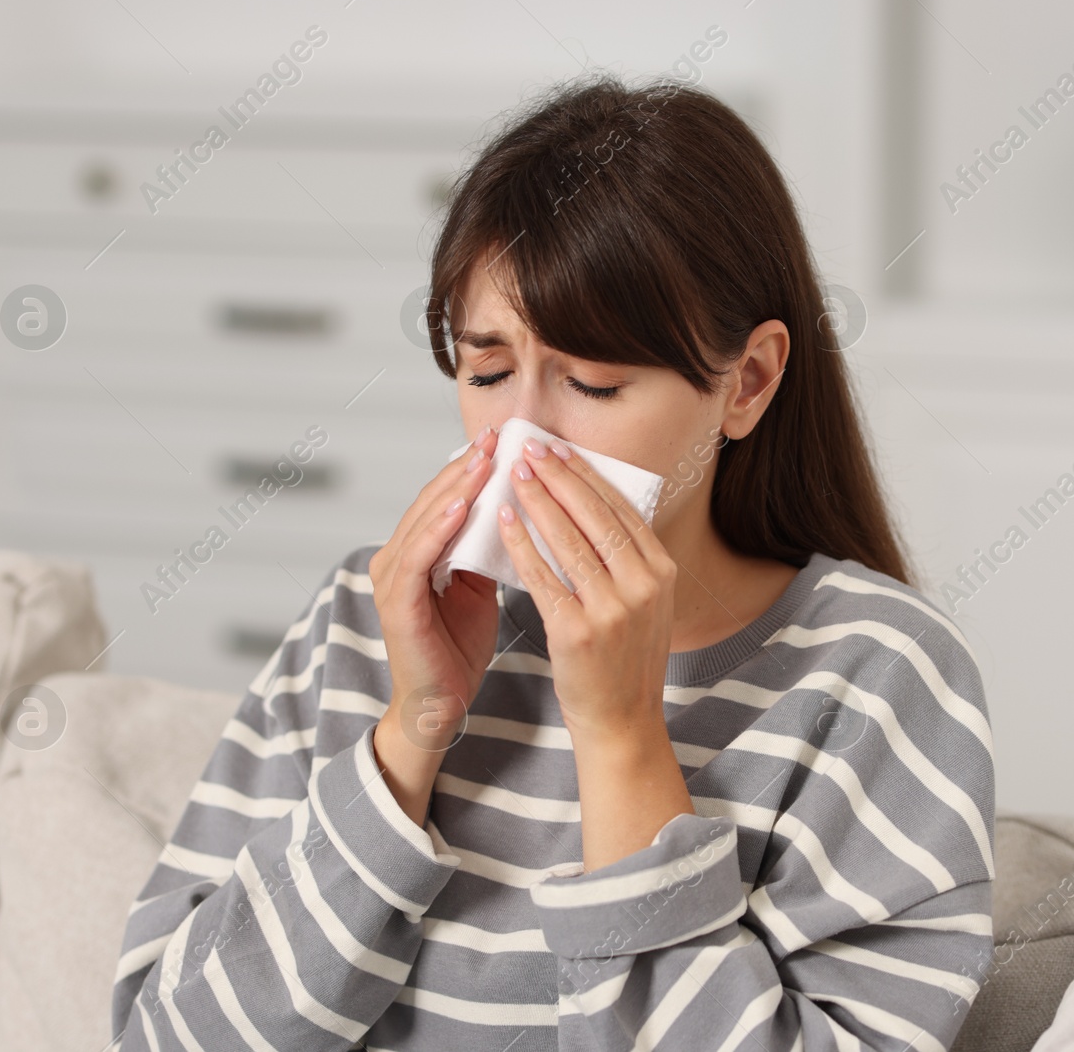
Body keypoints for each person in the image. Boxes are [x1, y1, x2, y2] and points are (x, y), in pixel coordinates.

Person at [111, 71, 995, 1051]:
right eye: (486, 371)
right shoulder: (364, 625)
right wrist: (411, 732)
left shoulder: (875, 675)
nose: (521, 433)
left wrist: (621, 740)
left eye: (591, 380)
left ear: (745, 383)